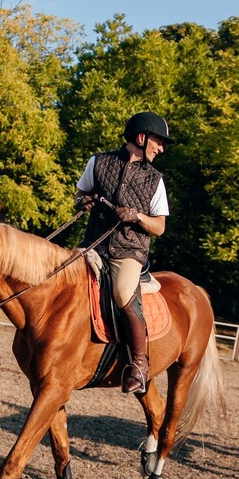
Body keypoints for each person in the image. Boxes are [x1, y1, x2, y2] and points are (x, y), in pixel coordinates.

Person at [74, 112, 173, 396]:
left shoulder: (155, 179)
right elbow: (80, 193)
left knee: (120, 292)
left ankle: (139, 365)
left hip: (127, 252)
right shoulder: (98, 162)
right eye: (158, 141)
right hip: (93, 245)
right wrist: (84, 202)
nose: (161, 148)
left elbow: (160, 227)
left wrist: (137, 216)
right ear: (141, 138)